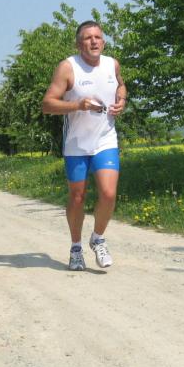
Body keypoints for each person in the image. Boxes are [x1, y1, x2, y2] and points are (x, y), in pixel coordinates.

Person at [41, 20, 127, 271]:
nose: (94, 41)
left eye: (97, 37)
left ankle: (98, 239)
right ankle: (76, 247)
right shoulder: (68, 68)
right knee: (77, 197)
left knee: (108, 194)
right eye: (88, 38)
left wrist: (121, 100)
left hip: (105, 139)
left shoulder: (112, 64)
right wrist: (78, 105)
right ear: (79, 44)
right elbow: (47, 104)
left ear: (104, 42)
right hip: (76, 143)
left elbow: (121, 84)